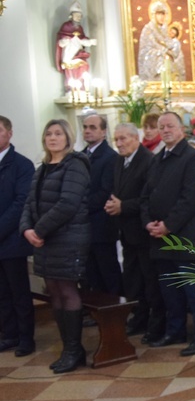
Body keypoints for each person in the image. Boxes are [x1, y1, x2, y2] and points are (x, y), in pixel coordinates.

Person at [20, 120, 90, 374]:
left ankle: (74, 350)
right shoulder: (43, 168)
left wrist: (38, 230)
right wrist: (27, 229)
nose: (53, 137)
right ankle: (69, 348)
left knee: (67, 290)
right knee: (54, 291)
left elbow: (68, 203)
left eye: (58, 133)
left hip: (68, 237)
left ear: (68, 137)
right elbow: (30, 202)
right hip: (46, 239)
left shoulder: (75, 164)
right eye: (48, 133)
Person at [140, 112, 195, 356]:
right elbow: (146, 196)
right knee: (169, 290)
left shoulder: (193, 158)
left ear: (181, 129)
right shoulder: (156, 159)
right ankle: (175, 331)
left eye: (170, 125)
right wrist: (148, 222)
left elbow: (190, 199)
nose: (165, 129)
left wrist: (168, 225)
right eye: (162, 126)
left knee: (194, 290)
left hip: (185, 237)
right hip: (159, 238)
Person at [106, 123, 164, 342]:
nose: (119, 144)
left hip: (144, 232)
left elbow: (147, 197)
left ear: (135, 137)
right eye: (116, 140)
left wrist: (123, 206)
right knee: (132, 280)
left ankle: (156, 324)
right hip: (127, 232)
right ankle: (139, 318)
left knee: (150, 281)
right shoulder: (120, 160)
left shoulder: (148, 160)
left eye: (123, 139)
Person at [0, 116, 35, 356]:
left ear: (9, 133)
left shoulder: (21, 165)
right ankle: (9, 334)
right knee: (1, 293)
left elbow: (21, 203)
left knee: (19, 291)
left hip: (12, 239)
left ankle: (26, 338)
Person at [81, 114, 121, 295]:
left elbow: (106, 192)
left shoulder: (110, 157)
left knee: (108, 272)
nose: (87, 131)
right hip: (83, 225)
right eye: (85, 127)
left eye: (93, 127)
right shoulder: (81, 156)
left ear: (104, 132)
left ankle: (115, 312)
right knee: (91, 273)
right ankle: (97, 312)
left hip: (102, 224)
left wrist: (79, 206)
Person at [55, 1, 96, 89]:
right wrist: (65, 41)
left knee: (84, 66)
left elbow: (82, 39)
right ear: (71, 16)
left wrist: (90, 42)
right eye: (76, 16)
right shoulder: (65, 26)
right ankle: (71, 88)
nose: (78, 18)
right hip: (69, 54)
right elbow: (60, 41)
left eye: (80, 16)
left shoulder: (80, 28)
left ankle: (82, 87)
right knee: (70, 69)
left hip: (78, 54)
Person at [138, 0, 170, 81]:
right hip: (155, 69)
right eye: (159, 14)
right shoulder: (148, 30)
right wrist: (161, 53)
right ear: (153, 15)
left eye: (163, 14)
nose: (161, 17)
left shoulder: (167, 30)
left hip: (168, 67)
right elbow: (145, 52)